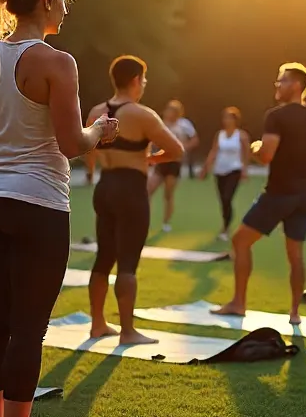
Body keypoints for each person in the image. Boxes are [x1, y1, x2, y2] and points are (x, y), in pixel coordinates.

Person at [0, 0, 118, 417]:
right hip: (39, 204)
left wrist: (11, 139)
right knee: (28, 327)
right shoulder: (57, 61)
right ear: (46, 1)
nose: (66, 13)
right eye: (63, 2)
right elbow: (74, 143)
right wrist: (102, 132)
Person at [213, 63, 306, 324]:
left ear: (296, 85)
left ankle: (238, 303)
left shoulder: (276, 116)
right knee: (295, 254)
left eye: (282, 81)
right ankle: (295, 313)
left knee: (240, 241)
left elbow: (265, 156)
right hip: (305, 195)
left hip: (279, 194)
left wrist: (253, 148)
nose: (277, 85)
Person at [86, 57, 184, 343]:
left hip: (105, 187)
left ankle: (97, 324)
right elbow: (176, 150)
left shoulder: (95, 111)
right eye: (143, 79)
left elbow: (88, 149)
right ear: (134, 80)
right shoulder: (143, 115)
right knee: (127, 262)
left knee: (103, 258)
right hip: (130, 188)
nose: (144, 84)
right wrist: (149, 158)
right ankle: (127, 331)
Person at [199, 106, 251, 240]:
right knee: (223, 200)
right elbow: (214, 151)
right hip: (219, 170)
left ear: (235, 120)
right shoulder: (220, 135)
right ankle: (225, 224)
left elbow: (246, 154)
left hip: (234, 170)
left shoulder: (241, 136)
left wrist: (245, 169)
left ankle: (226, 228)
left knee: (228, 197)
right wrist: (205, 168)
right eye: (225, 117)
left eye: (229, 118)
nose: (226, 120)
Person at [148, 99, 199, 233]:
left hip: (174, 163)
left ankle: (166, 222)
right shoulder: (162, 123)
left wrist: (183, 148)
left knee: (168, 194)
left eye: (172, 110)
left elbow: (194, 140)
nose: (169, 112)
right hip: (161, 161)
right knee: (149, 189)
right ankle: (145, 219)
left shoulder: (184, 125)